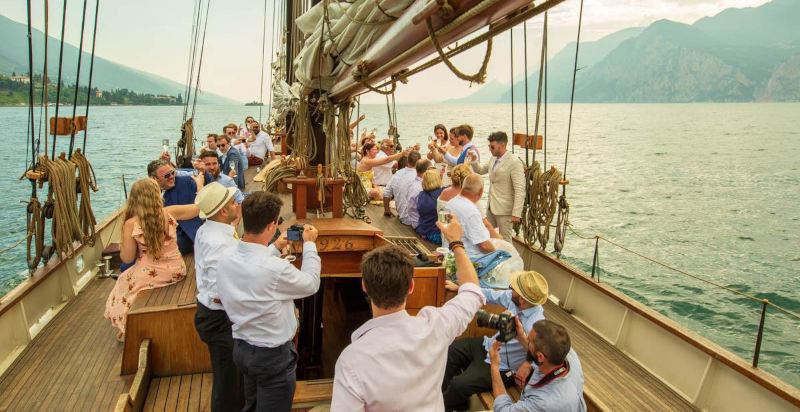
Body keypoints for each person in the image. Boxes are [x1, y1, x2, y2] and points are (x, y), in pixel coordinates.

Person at [330, 215, 485, 411]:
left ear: (364, 286)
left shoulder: (351, 360)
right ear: (411, 286)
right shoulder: (436, 326)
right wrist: (456, 243)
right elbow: (472, 291)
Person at [217, 192, 321, 412]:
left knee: (252, 404)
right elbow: (310, 284)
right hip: (272, 358)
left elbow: (256, 265)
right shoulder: (275, 269)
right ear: (272, 225)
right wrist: (310, 245)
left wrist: (275, 247)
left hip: (244, 350)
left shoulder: (226, 257)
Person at [104, 179, 199, 339]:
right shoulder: (170, 212)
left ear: (134, 199)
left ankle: (127, 328)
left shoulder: (131, 224)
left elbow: (127, 258)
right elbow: (198, 208)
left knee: (123, 283)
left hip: (150, 273)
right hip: (177, 269)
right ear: (157, 195)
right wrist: (200, 183)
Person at [442, 271, 549, 412]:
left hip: (503, 366)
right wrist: (459, 288)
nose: (510, 290)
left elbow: (543, 359)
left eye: (513, 289)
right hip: (488, 345)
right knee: (448, 351)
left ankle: (451, 407)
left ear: (522, 299)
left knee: (458, 385)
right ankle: (446, 402)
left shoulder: (535, 325)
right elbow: (490, 294)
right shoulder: (514, 299)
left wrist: (528, 363)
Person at [193, 183, 245, 411]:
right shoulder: (219, 243)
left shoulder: (208, 230)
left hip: (213, 315)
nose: (237, 205)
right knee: (228, 383)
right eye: (233, 202)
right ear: (223, 211)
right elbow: (218, 292)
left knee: (231, 377)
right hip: (220, 318)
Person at [489, 320, 586, 412]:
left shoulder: (543, 402)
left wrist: (494, 365)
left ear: (540, 357)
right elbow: (541, 352)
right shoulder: (566, 354)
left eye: (529, 340)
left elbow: (502, 410)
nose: (527, 339)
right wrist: (521, 336)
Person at [468, 131, 525, 242]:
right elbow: (479, 170)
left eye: (492, 147)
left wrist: (516, 213)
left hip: (505, 210)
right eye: (489, 146)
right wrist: (474, 160)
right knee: (486, 235)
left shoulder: (514, 162)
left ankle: (508, 259)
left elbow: (520, 189)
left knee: (505, 241)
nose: (490, 149)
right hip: (491, 207)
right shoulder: (493, 159)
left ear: (502, 145)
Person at [148, 159, 205, 255]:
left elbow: (206, 192)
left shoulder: (184, 182)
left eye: (172, 173)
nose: (171, 177)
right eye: (167, 175)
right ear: (154, 178)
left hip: (181, 236)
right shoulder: (147, 193)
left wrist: (203, 173)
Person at [443, 174, 503, 257]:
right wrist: (498, 255)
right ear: (481, 192)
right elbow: (484, 246)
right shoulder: (471, 212)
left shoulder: (451, 203)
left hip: (450, 252)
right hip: (468, 257)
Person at [383, 150, 421, 218]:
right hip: (416, 219)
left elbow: (386, 193)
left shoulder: (398, 173)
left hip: (402, 216)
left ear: (407, 160)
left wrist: (387, 210)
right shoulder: (420, 175)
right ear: (419, 162)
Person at [415, 169, 444, 245]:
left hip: (422, 230)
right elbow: (454, 187)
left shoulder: (421, 194)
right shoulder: (440, 194)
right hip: (434, 235)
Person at [405, 159, 432, 228]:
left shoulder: (413, 183)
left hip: (413, 218)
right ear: (428, 170)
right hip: (418, 223)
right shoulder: (421, 188)